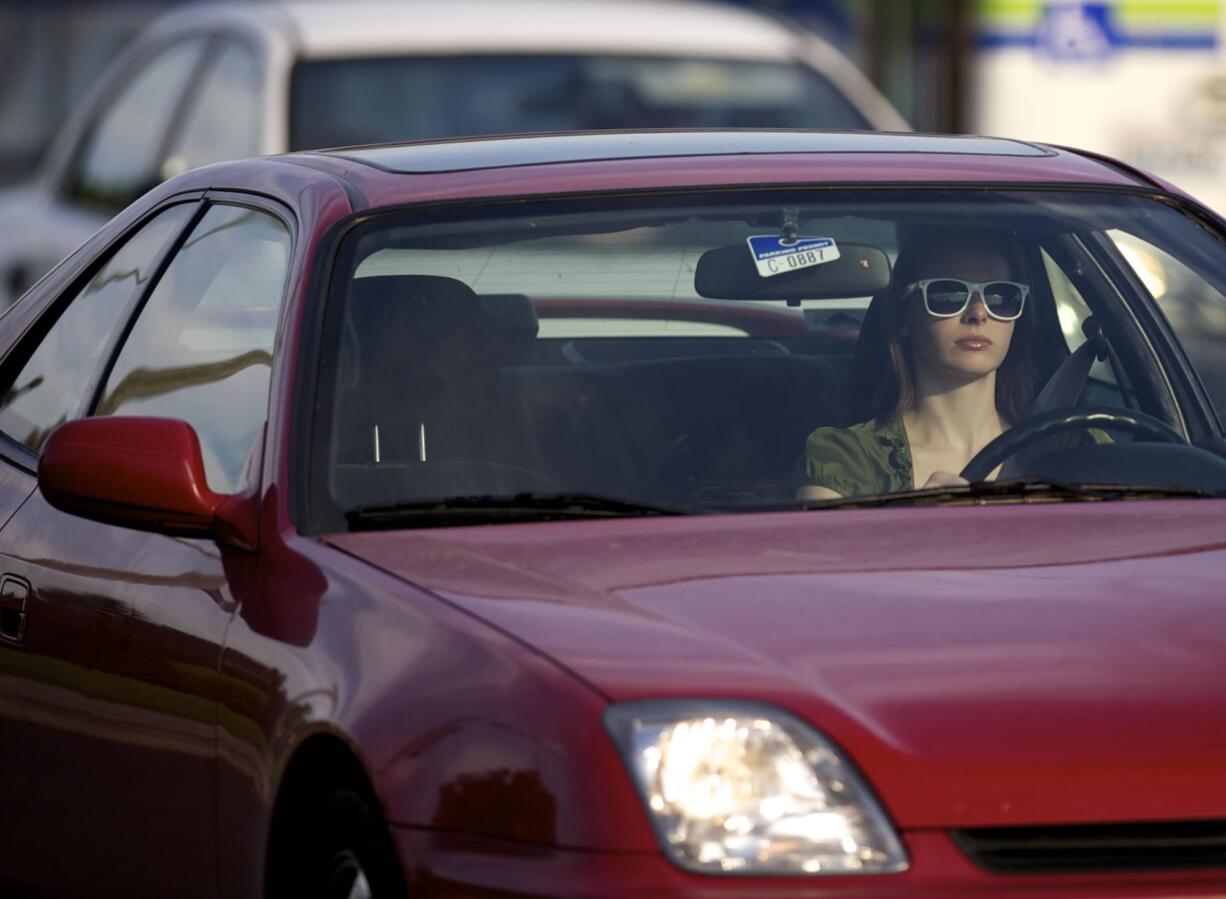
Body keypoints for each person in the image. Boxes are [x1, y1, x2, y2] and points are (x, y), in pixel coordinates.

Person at [798, 226, 1035, 500]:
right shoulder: (847, 457)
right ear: (903, 320)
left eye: (1000, 297)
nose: (978, 313)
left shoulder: (1060, 445)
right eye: (947, 295)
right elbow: (825, 544)